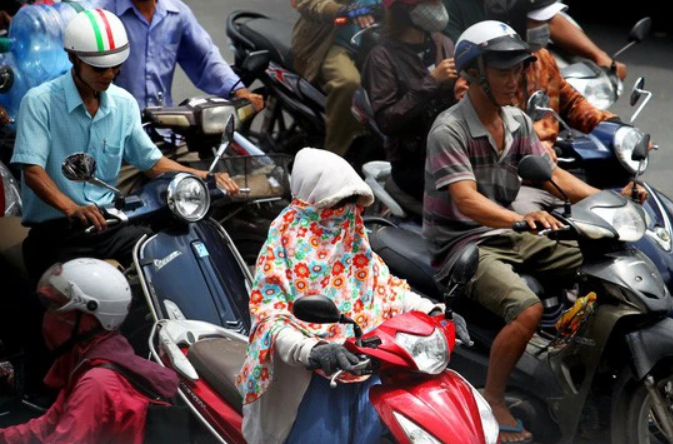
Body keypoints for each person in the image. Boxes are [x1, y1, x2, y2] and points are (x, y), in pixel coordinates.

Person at [423, 21, 646, 443]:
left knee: (597, 261)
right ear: (474, 74)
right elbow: (466, 200)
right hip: (462, 242)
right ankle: (493, 397)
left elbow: (552, 176)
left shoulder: (517, 122)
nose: (516, 80)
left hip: (508, 232)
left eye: (518, 70)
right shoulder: (449, 129)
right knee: (525, 308)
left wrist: (611, 199)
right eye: (503, 71)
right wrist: (518, 220)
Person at [9, 8, 240, 283]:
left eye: (115, 66)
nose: (109, 74)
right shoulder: (39, 102)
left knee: (166, 260)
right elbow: (32, 171)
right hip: (55, 231)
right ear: (73, 58)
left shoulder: (124, 103)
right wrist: (72, 208)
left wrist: (206, 177)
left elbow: (153, 164)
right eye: (99, 68)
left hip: (108, 225)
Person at [236, 147, 443, 444]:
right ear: (311, 200)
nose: (346, 212)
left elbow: (389, 290)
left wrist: (434, 312)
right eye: (336, 204)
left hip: (369, 373)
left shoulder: (353, 236)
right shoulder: (283, 243)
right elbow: (270, 319)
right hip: (310, 386)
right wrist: (313, 350)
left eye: (352, 203)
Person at [0, 258, 180, 444]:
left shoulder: (96, 383)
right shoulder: (95, 359)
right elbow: (50, 424)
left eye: (56, 307)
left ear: (88, 320)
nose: (48, 316)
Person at [361, 0, 456, 203]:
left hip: (452, 152)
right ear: (402, 10)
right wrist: (432, 82)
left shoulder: (444, 43)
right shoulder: (382, 58)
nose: (436, 6)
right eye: (427, 3)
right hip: (414, 165)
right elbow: (387, 120)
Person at [92, 0, 263, 112]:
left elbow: (205, 58)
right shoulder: (102, 14)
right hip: (118, 132)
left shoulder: (177, 13)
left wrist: (238, 91)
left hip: (166, 129)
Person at [441, 0, 627, 81]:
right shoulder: (492, 77)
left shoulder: (542, 61)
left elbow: (574, 103)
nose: (542, 28)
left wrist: (600, 57)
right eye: (535, 21)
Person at [291, 0, 380, 156]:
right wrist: (341, 11)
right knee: (349, 83)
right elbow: (306, 3)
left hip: (375, 44)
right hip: (331, 44)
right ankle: (334, 154)